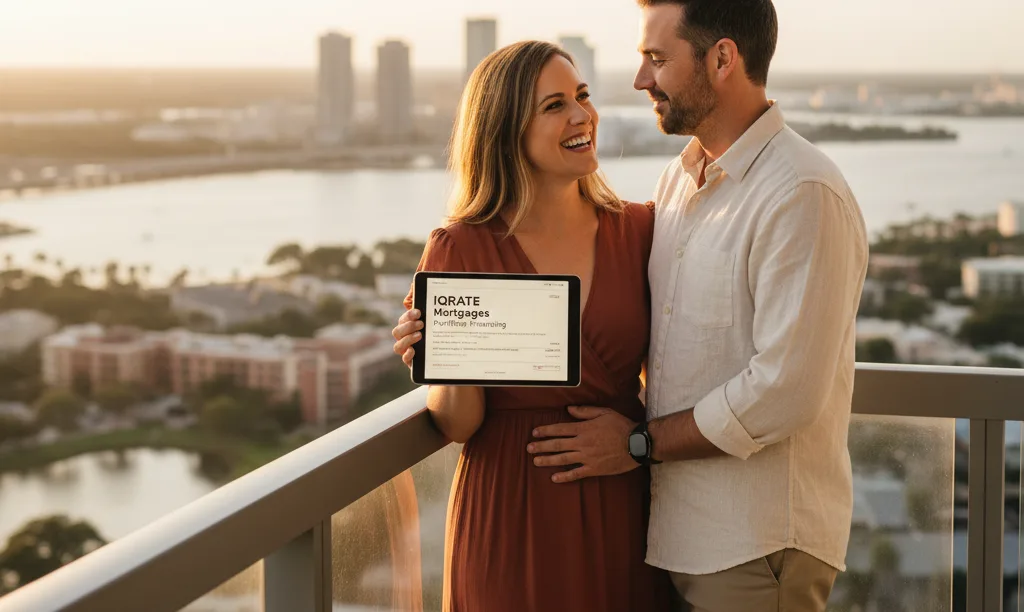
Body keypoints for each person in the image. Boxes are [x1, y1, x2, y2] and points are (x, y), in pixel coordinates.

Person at [526, 1, 869, 611]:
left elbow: (785, 390)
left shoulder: (801, 193)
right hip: (673, 538)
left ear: (722, 59)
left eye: (656, 60)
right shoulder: (678, 184)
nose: (640, 81)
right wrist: (446, 325)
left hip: (755, 550)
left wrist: (637, 443)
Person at [391, 41, 672, 611]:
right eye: (554, 105)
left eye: (583, 97)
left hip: (622, 494)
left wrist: (640, 445)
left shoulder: (642, 230)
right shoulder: (458, 247)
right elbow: (460, 423)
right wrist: (438, 357)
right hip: (507, 513)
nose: (582, 116)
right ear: (505, 129)